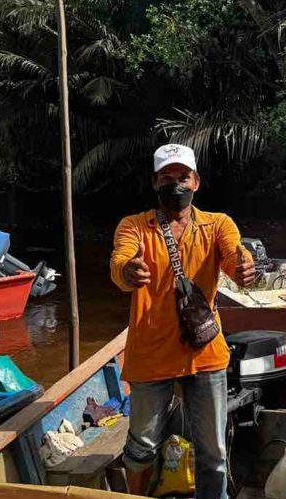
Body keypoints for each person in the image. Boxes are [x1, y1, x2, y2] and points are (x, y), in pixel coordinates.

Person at [110, 143, 256, 498]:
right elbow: (120, 262)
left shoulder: (217, 224)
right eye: (166, 177)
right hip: (150, 354)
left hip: (204, 353)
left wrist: (244, 267)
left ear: (196, 182)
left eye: (182, 177)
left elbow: (233, 255)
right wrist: (129, 271)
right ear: (154, 182)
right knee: (141, 447)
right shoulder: (134, 227)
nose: (175, 184)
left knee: (214, 452)